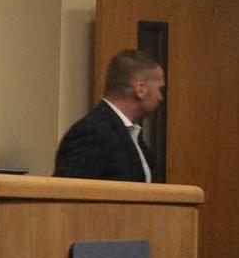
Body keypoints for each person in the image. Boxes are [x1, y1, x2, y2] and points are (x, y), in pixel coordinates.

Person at [54, 49, 165, 182]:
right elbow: (69, 194)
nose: (160, 97)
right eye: (159, 88)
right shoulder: (91, 132)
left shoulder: (131, 136)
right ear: (140, 89)